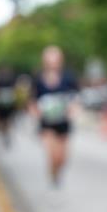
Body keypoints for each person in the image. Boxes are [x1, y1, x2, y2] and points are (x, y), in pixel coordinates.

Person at [30, 46, 79, 188]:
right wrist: (35, 112)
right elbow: (32, 100)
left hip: (63, 122)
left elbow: (75, 97)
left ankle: (57, 173)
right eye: (49, 60)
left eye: (55, 60)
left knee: (62, 158)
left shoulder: (68, 77)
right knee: (52, 155)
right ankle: (53, 177)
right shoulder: (38, 78)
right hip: (46, 123)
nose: (53, 63)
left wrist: (73, 110)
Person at [0, 65, 19, 147]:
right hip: (6, 103)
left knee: (4, 119)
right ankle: (5, 133)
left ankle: (4, 132)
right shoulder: (9, 78)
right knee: (6, 119)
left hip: (4, 103)